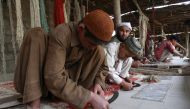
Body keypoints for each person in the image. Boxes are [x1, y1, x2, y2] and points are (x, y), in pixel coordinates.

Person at [14, 9, 114, 109]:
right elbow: (53, 77)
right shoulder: (62, 33)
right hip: (45, 85)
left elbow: (103, 68)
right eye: (91, 43)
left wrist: (98, 83)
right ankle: (33, 101)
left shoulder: (95, 48)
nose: (92, 47)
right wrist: (90, 97)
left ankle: (74, 96)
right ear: (81, 28)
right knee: (36, 34)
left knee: (100, 51)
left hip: (68, 89)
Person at [104, 22, 142, 91]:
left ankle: (120, 78)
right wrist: (123, 83)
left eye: (127, 31)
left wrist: (126, 77)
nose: (124, 33)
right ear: (122, 46)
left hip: (114, 73)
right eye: (122, 31)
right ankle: (114, 80)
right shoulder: (111, 47)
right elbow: (109, 70)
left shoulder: (123, 49)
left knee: (129, 59)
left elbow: (127, 58)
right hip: (103, 72)